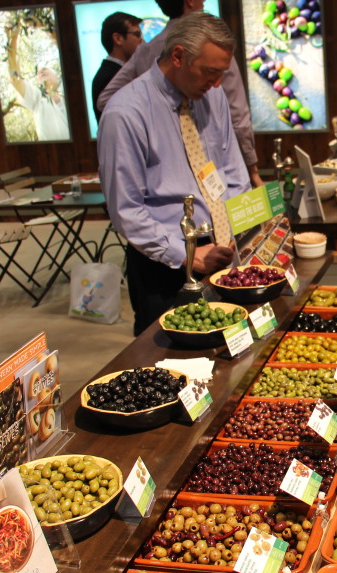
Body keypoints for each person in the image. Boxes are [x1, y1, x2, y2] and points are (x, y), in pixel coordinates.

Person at [98, 12, 245, 335]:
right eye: (209, 72)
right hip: (166, 262)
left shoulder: (212, 96)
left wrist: (237, 228)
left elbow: (232, 169)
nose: (216, 84)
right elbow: (127, 210)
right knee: (167, 364)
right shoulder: (126, 113)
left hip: (225, 248)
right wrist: (185, 254)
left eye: (221, 74)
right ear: (178, 55)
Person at [97, 0, 262, 188]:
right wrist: (253, 169)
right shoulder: (210, 47)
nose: (217, 83)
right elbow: (238, 112)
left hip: (213, 198)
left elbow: (104, 99)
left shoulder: (147, 49)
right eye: (210, 72)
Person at [6, 23, 69, 141]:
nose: (41, 70)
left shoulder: (69, 94)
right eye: (39, 72)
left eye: (47, 68)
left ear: (58, 76)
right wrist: (13, 38)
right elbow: (15, 79)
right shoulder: (37, 99)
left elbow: (69, 53)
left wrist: (44, 24)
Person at [92, 12, 144, 122]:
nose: (142, 41)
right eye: (137, 34)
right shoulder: (108, 76)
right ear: (118, 39)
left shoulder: (116, 71)